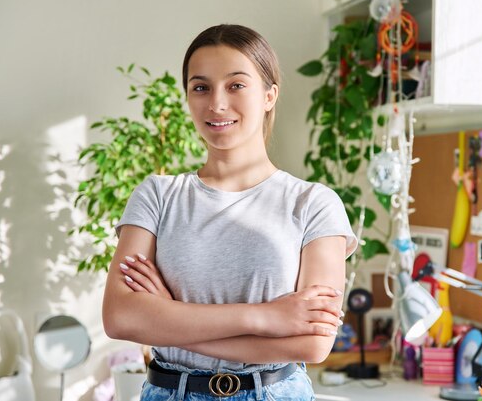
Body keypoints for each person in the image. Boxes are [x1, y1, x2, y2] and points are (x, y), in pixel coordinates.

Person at [102, 24, 358, 401]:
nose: (217, 104)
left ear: (270, 95)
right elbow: (120, 317)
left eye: (236, 85)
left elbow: (313, 342)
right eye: (200, 87)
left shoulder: (314, 203)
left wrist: (169, 317)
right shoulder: (157, 195)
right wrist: (265, 318)